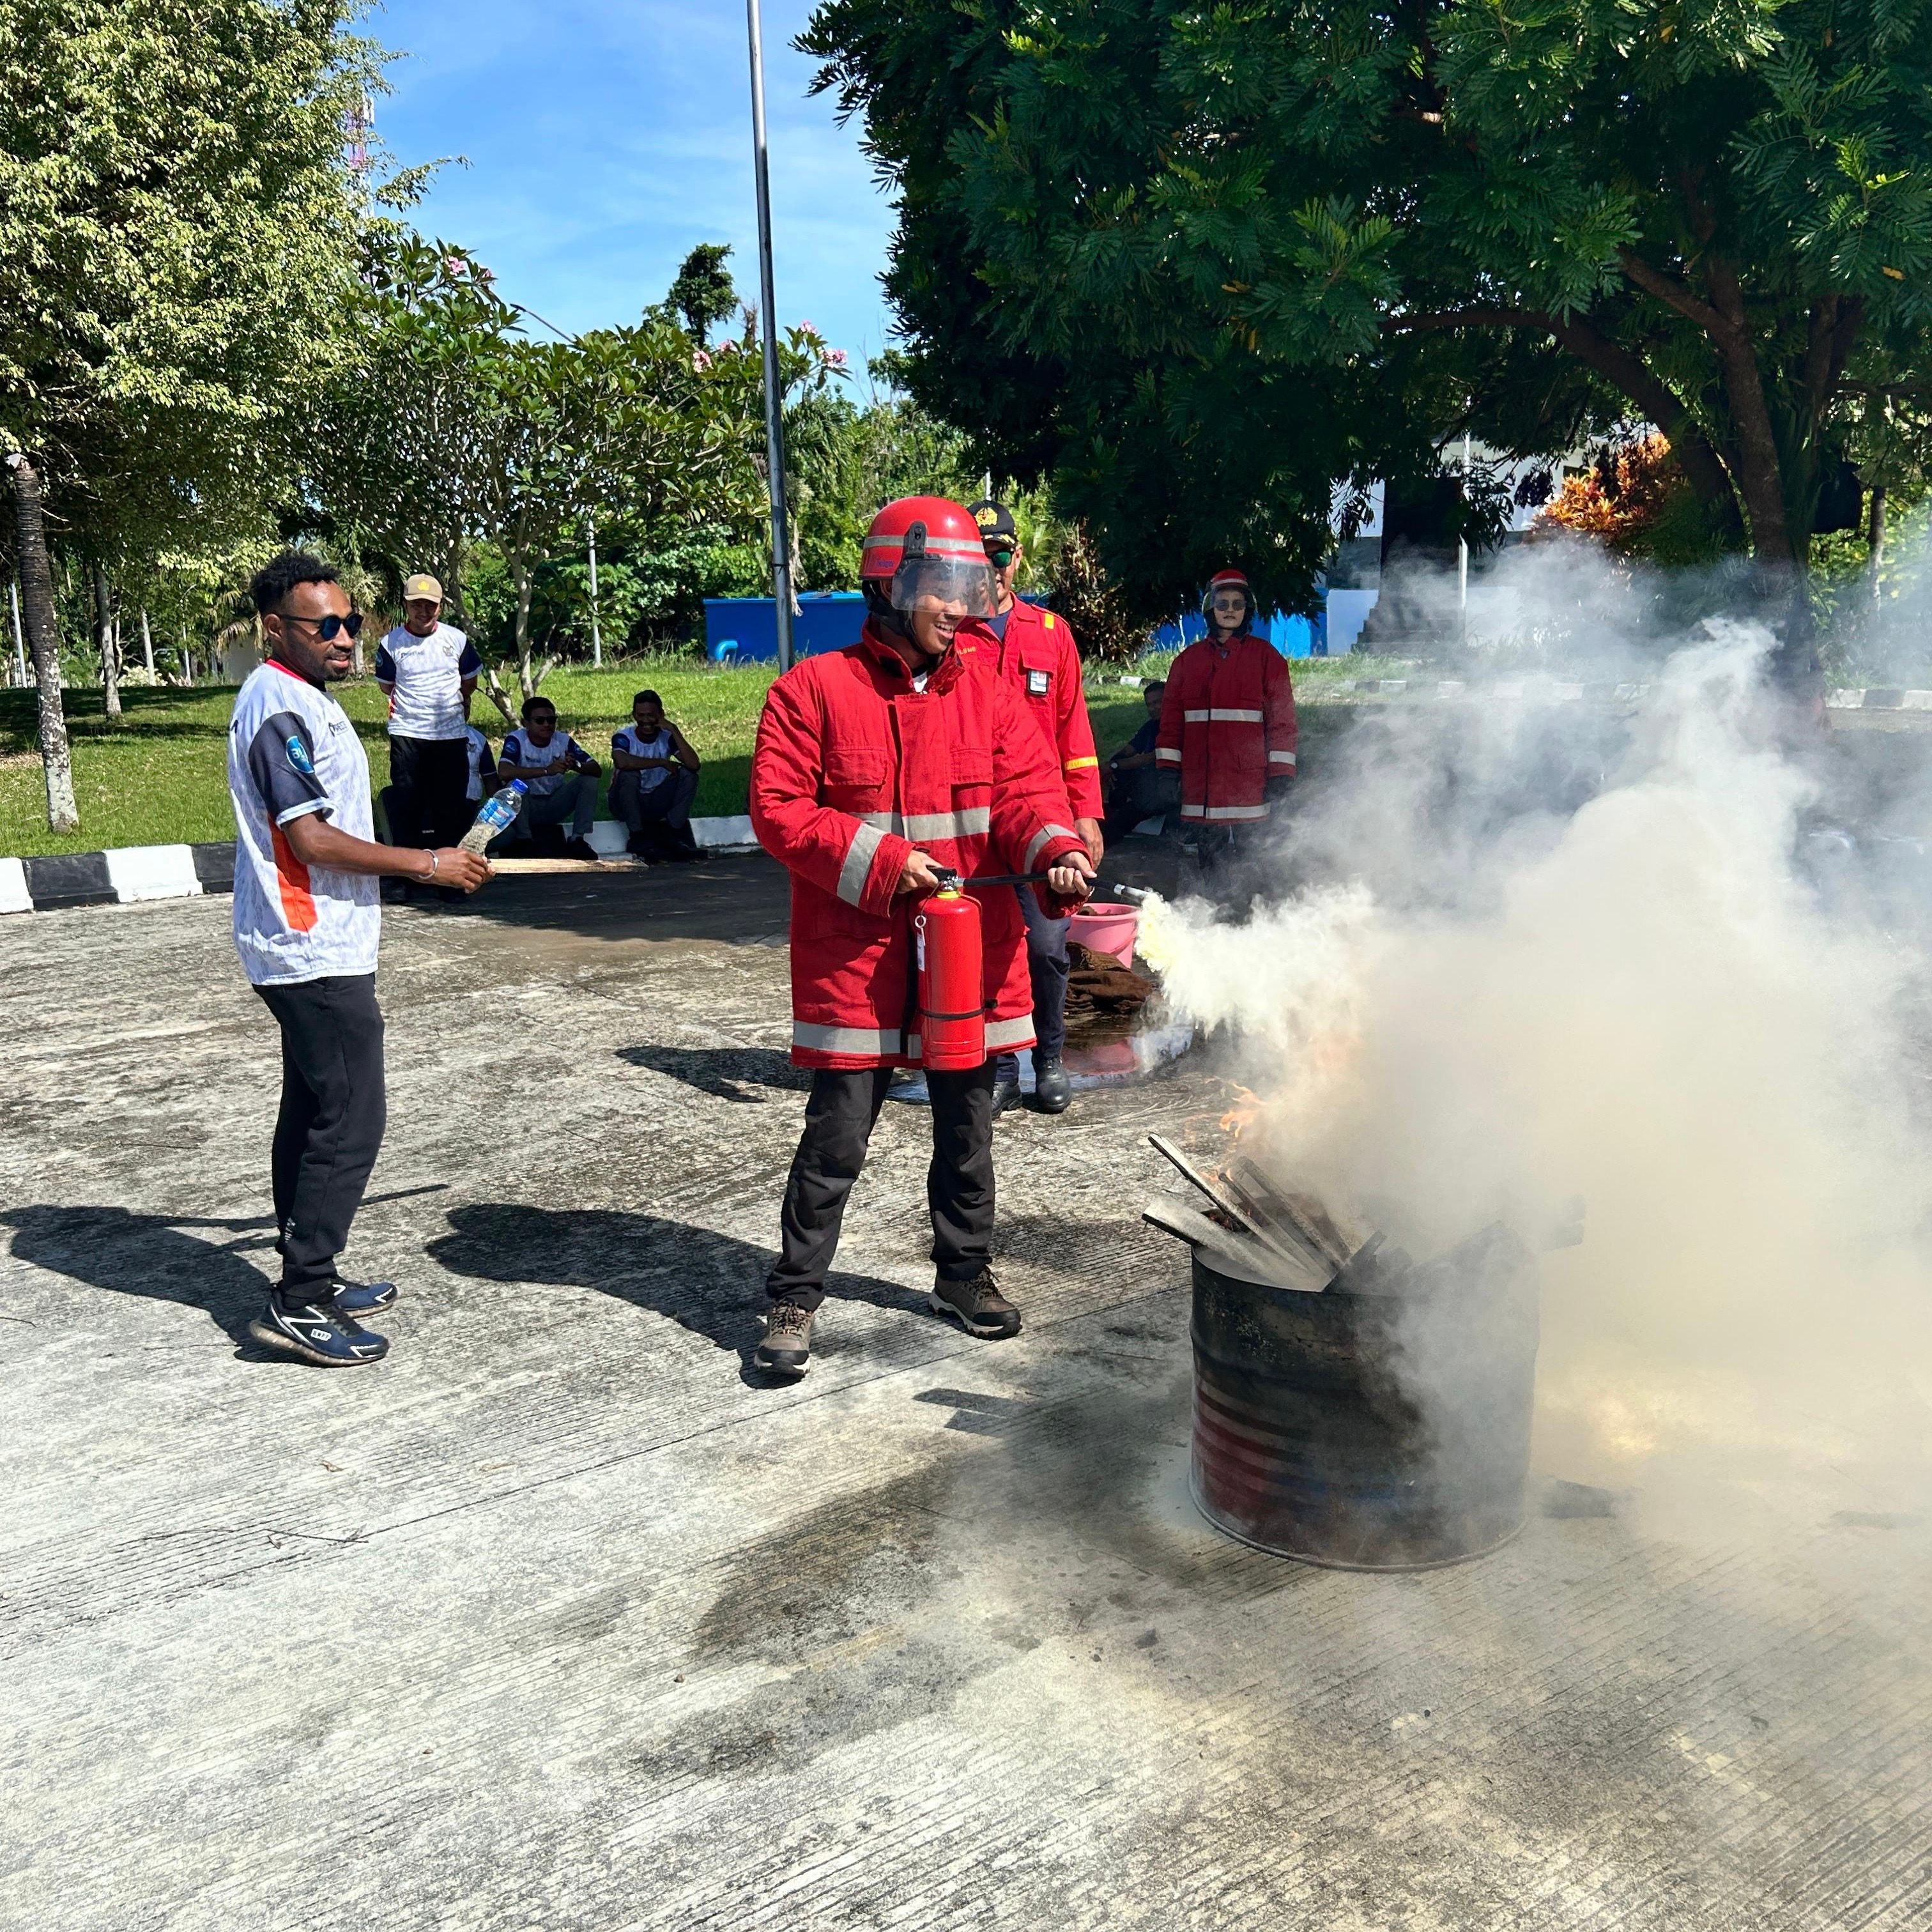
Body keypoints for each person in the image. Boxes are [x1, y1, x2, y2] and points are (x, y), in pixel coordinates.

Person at [748, 494, 1096, 1377]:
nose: (964, 607)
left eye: (971, 586)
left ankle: (964, 1273)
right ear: (890, 581)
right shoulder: (811, 691)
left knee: (968, 1127)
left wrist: (1054, 847)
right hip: (857, 958)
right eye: (944, 586)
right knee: (837, 1138)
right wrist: (883, 857)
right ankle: (794, 1295)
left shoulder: (992, 694)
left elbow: (1029, 797)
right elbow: (780, 812)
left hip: (965, 956)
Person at [227, 551, 491, 1366]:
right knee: (352, 1116)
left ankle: (311, 1268)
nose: (346, 638)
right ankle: (301, 1299)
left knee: (311, 1108)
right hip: (307, 942)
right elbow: (308, 837)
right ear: (277, 628)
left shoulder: (303, 697)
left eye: (352, 623)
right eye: (326, 626)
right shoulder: (277, 707)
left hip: (323, 937)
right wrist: (429, 864)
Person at [959, 498, 1105, 1118]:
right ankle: (996, 1067)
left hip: (1042, 825)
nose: (991, 567)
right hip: (973, 827)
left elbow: (1075, 736)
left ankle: (1048, 1060)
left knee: (1047, 945)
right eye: (979, 555)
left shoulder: (1051, 634)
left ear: (1016, 557)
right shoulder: (950, 635)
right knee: (987, 949)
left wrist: (1087, 818)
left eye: (1000, 554)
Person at [1156, 569, 1298, 870]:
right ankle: (1213, 911)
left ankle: (1256, 911)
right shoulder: (1187, 661)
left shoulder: (1267, 658)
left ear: (1248, 610)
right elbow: (1171, 722)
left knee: (1254, 859)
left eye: (1237, 604)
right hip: (1202, 782)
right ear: (1211, 608)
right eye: (1223, 604)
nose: (1230, 610)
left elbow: (1282, 721)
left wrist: (1281, 771)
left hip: (1249, 780)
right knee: (1210, 861)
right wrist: (1167, 770)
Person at [373, 573, 480, 857]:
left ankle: (451, 878)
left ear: (440, 607)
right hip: (408, 734)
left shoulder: (456, 639)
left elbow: (469, 681)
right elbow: (387, 686)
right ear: (406, 607)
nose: (423, 612)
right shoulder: (391, 643)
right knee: (408, 805)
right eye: (416, 605)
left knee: (450, 807)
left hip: (451, 735)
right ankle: (409, 876)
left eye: (430, 605)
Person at [496, 696, 602, 859]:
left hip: (555, 802)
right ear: (526, 723)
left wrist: (576, 766)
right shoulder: (516, 740)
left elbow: (596, 770)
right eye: (540, 720)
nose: (547, 725)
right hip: (526, 807)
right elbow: (504, 772)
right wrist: (546, 770)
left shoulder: (563, 740)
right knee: (514, 785)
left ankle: (578, 840)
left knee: (588, 781)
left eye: (551, 720)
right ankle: (524, 840)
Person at [610, 689, 700, 860]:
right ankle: (637, 836)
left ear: (661, 715)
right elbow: (622, 762)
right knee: (629, 775)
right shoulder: (623, 737)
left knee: (688, 775)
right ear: (634, 715)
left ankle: (673, 833)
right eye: (640, 715)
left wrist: (674, 730)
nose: (646, 721)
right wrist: (662, 762)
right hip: (625, 803)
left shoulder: (667, 737)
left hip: (655, 800)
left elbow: (694, 765)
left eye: (651, 716)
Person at [1103, 679, 1178, 841]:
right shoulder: (1151, 726)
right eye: (1149, 705)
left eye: (1158, 702)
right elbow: (1127, 751)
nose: (1153, 708)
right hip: (1148, 782)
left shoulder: (1176, 725)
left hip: (1168, 785)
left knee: (1125, 817)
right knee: (1118, 766)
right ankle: (1116, 807)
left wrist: (1114, 766)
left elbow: (1151, 758)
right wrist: (1112, 765)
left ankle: (1106, 837)